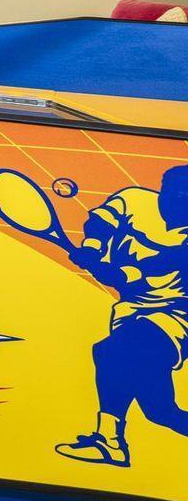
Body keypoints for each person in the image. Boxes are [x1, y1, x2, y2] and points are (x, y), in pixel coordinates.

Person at [55, 166, 188, 466]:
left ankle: (109, 442)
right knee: (160, 412)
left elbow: (164, 263)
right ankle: (111, 440)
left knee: (111, 351)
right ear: (163, 191)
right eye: (175, 193)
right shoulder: (134, 199)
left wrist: (122, 273)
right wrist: (92, 249)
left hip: (177, 314)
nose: (179, 201)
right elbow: (100, 222)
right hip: (129, 310)